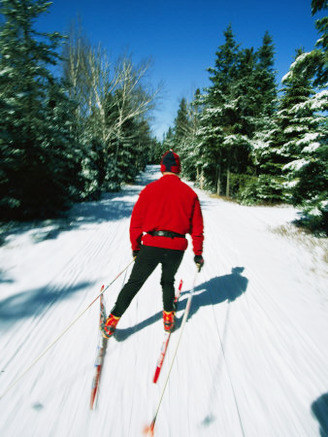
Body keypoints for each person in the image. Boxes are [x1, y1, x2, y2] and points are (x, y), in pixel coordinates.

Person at [102, 150, 204, 339]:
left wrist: (136, 247)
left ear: (162, 168)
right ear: (178, 169)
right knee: (167, 281)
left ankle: (111, 322)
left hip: (151, 245)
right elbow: (197, 229)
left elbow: (136, 223)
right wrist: (198, 254)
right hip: (176, 248)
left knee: (134, 283)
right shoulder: (190, 194)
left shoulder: (149, 190)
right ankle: (168, 319)